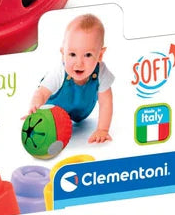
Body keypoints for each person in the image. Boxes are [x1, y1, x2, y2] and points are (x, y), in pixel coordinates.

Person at [27, 14, 113, 143]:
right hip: (53, 113)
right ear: (63, 54)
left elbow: (106, 102)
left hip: (81, 113)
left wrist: (103, 130)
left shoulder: (101, 71)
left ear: (100, 55)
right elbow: (42, 93)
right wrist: (35, 106)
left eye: (88, 55)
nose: (79, 63)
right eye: (72, 54)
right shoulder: (59, 72)